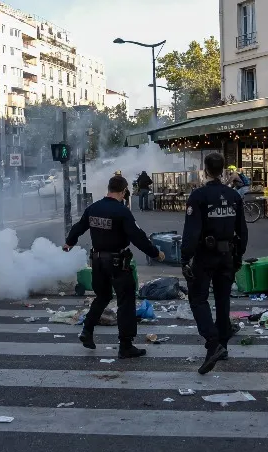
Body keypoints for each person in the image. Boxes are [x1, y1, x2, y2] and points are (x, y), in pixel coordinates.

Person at [63, 175, 165, 359]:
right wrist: (155, 253)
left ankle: (87, 329)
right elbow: (137, 236)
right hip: (118, 262)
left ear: (108, 188)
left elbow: (79, 226)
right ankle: (126, 345)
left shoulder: (93, 208)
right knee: (125, 300)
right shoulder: (121, 211)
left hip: (97, 260)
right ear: (124, 191)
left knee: (102, 296)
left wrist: (69, 242)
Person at [181, 152, 248, 375]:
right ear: (222, 171)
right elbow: (243, 231)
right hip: (228, 254)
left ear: (206, 170)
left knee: (198, 299)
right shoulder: (234, 196)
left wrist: (184, 258)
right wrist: (238, 256)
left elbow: (191, 232)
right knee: (222, 300)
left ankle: (213, 344)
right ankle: (224, 346)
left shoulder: (198, 196)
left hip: (205, 254)